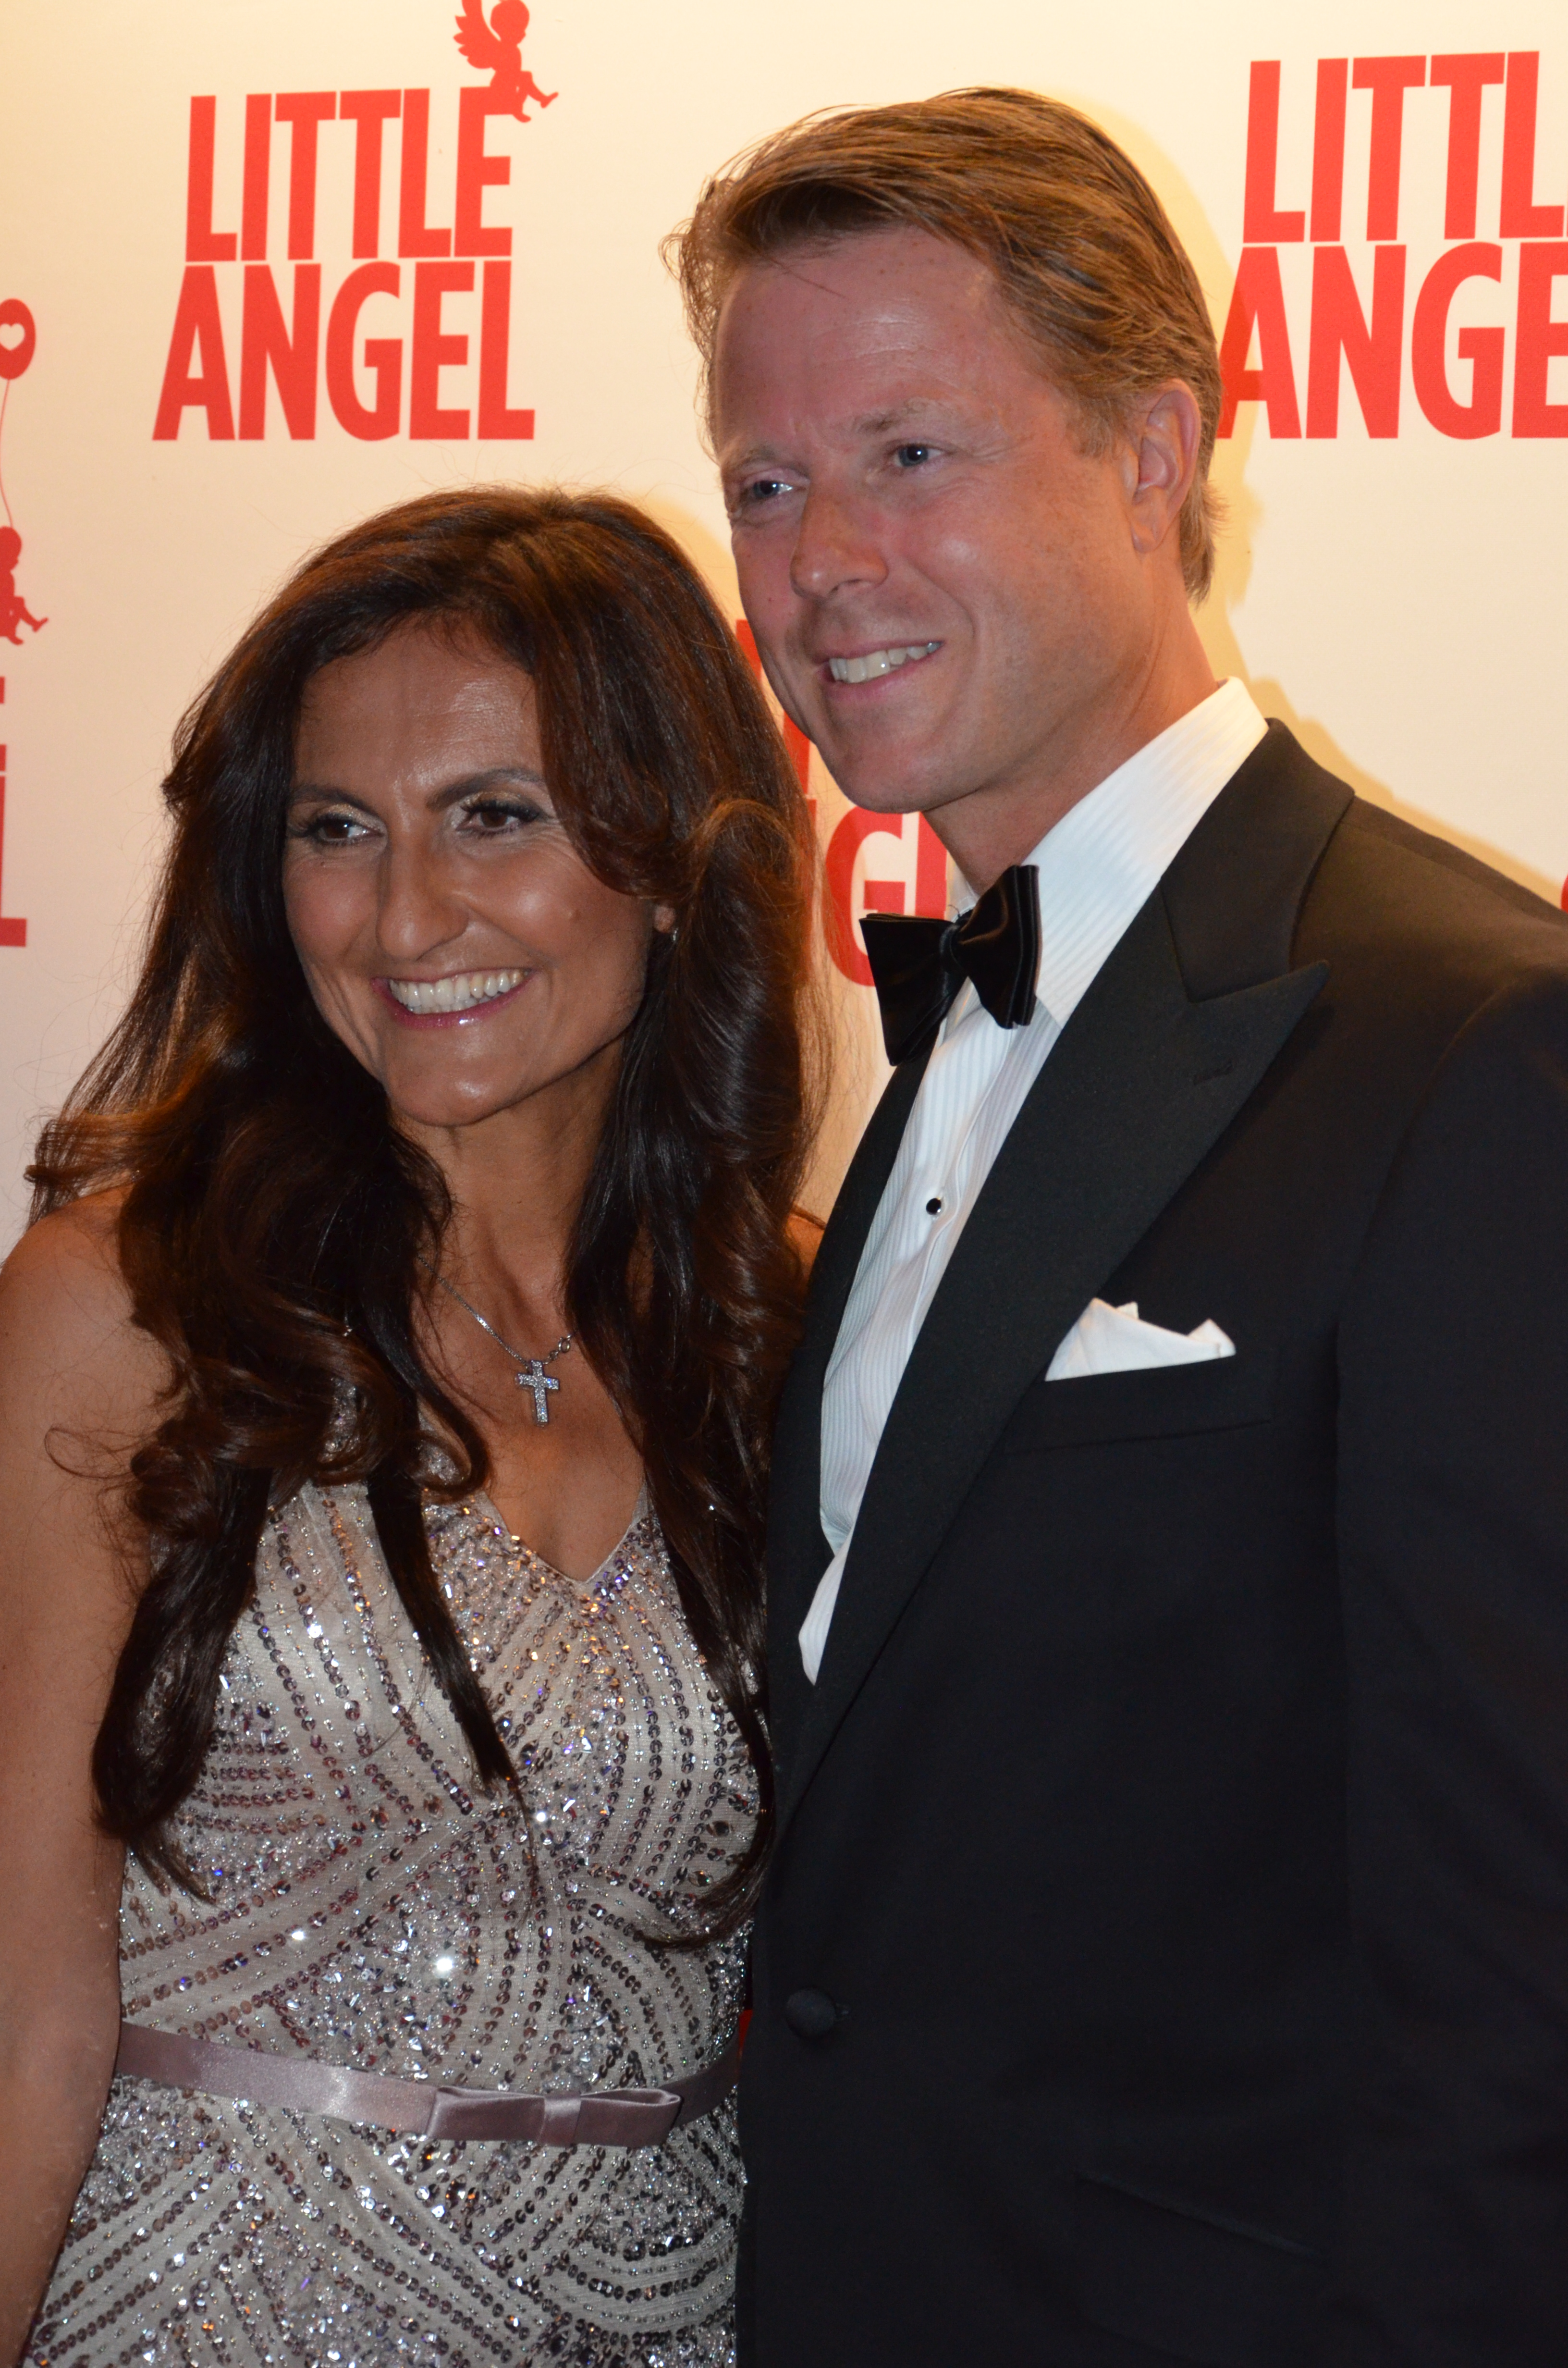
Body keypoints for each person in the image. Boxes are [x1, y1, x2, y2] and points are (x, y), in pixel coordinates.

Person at [667, 86, 1568, 2365]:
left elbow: (1520, 1975)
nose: (820, 562)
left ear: (1156, 450)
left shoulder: (1473, 1040)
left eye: (909, 455)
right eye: (765, 483)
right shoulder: (947, 1033)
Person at [0, 487, 819, 2367]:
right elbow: (23, 2003)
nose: (405, 916)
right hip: (199, 2308)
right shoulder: (125, 1301)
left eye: (496, 815)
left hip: (671, 2313)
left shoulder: (790, 1327)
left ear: (674, 858)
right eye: (337, 829)